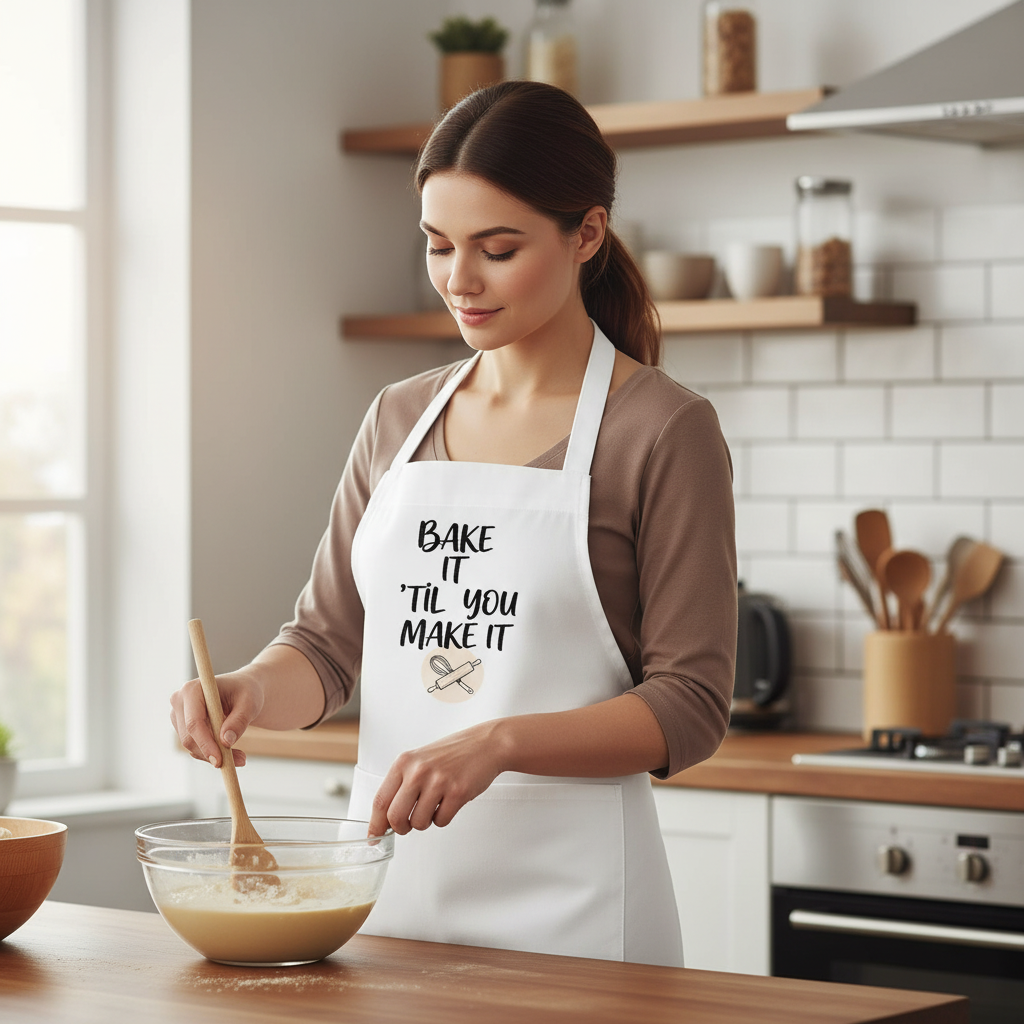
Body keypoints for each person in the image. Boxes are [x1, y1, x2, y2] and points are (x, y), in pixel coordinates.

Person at [170, 81, 736, 968]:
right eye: (437, 246)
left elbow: (691, 708)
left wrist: (499, 744)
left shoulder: (661, 429)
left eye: (497, 249)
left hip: (580, 922)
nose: (458, 282)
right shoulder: (399, 416)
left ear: (586, 234)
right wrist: (250, 691)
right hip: (387, 903)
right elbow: (324, 648)